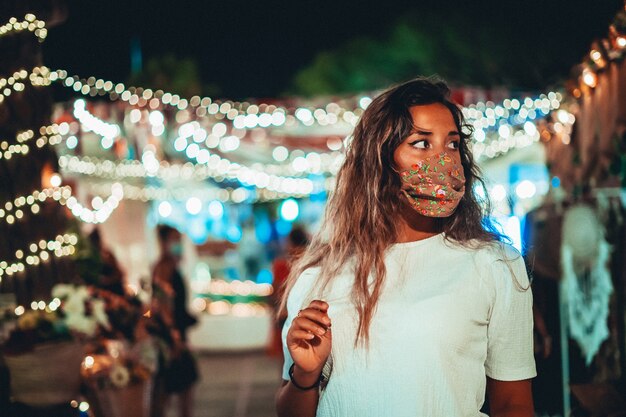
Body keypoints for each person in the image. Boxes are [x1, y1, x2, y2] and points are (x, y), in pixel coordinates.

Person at [275, 77, 536, 417]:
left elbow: (513, 404)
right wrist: (305, 375)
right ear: (379, 161)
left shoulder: (494, 265)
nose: (443, 160)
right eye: (421, 143)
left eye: (453, 144)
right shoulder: (320, 277)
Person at [151, 225, 198, 417]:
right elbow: (162, 306)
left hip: (176, 334)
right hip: (172, 338)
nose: (177, 244)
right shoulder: (163, 268)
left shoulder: (170, 266)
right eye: (173, 240)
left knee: (177, 390)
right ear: (163, 243)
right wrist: (174, 336)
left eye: (179, 240)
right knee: (170, 392)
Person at [268, 225, 311, 357]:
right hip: (308, 314)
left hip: (286, 314)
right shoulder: (314, 263)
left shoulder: (282, 265)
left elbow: (275, 291)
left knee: (286, 356)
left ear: (290, 242)